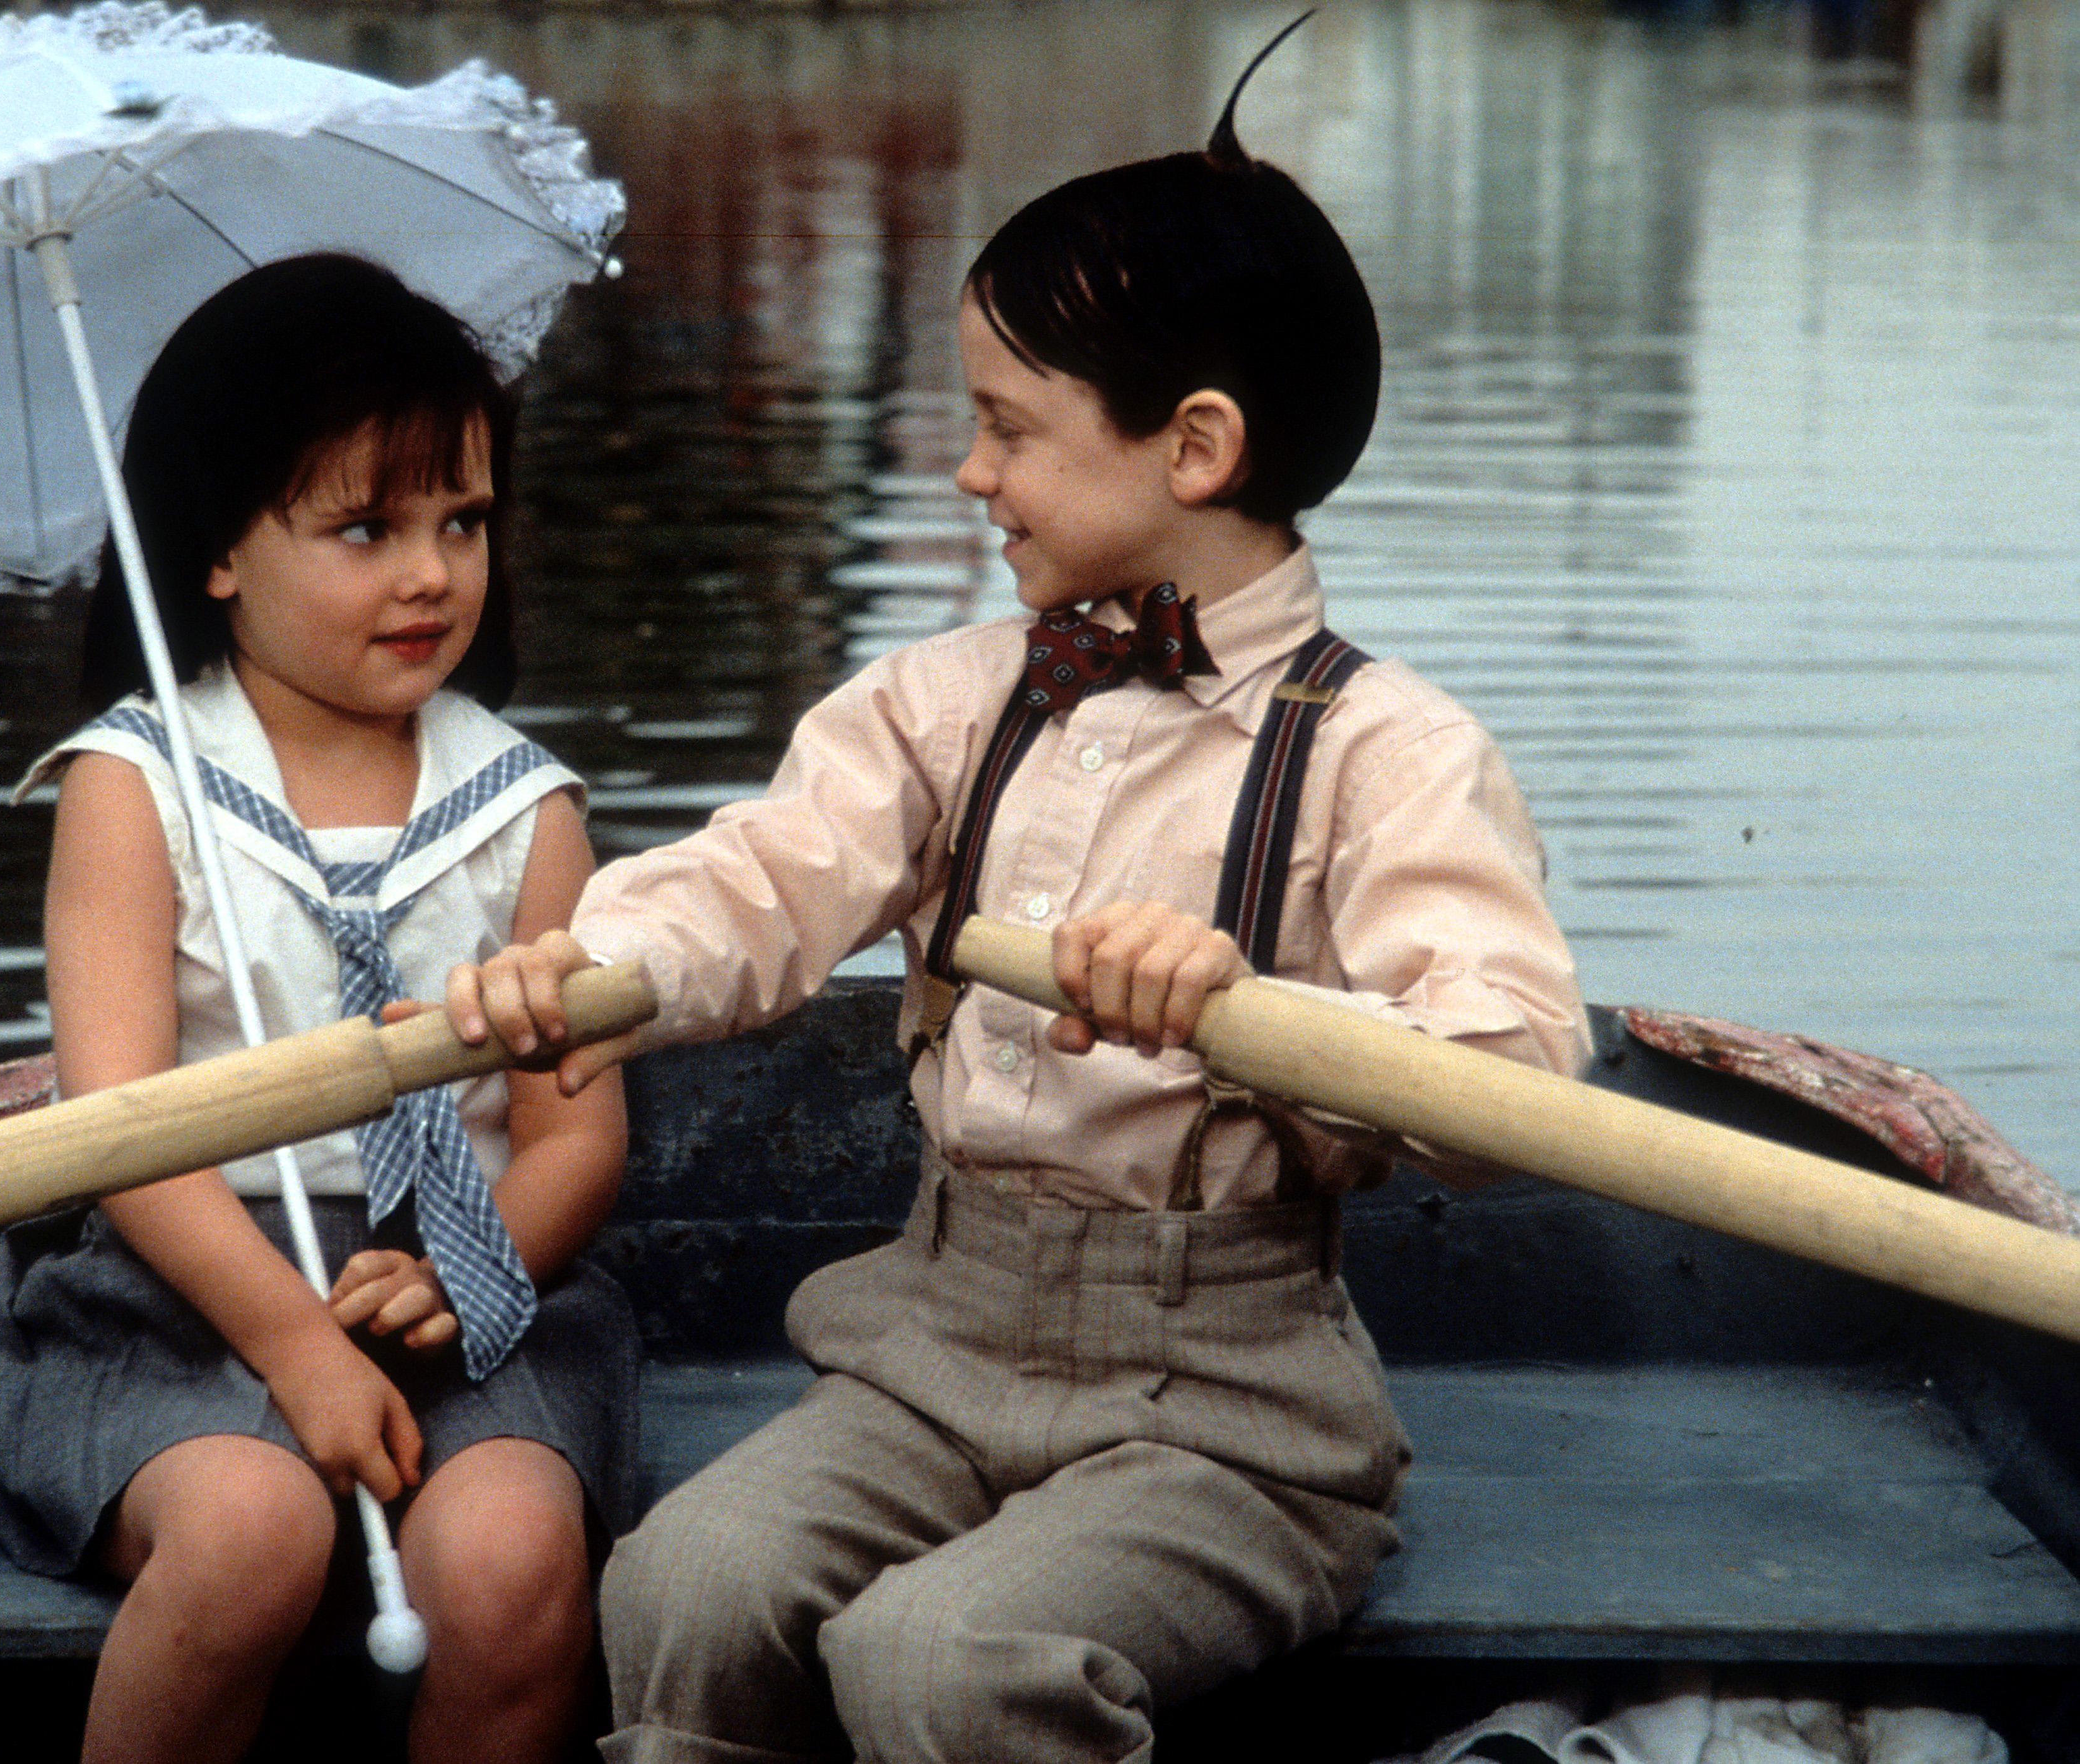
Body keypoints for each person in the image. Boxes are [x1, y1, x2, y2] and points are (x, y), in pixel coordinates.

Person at [447, 35, 1591, 1764]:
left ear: (1193, 445)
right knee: (678, 1591)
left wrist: (1245, 1014)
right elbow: (762, 877)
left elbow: (1503, 1075)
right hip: (931, 1343)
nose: (968, 473)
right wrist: (590, 964)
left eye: (1005, 428)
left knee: (940, 1659)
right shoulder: (948, 699)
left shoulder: (1387, 750)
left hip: (1226, 1416)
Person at [0, 254, 636, 1764]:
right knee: (253, 1538)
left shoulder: (524, 807)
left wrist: (475, 1274)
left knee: (509, 1569)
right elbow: (126, 1135)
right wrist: (301, 1351)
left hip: (464, 1265)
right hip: (181, 1272)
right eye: (364, 529)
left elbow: (574, 1142)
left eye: (463, 520)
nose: (432, 574)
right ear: (215, 553)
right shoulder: (137, 792)